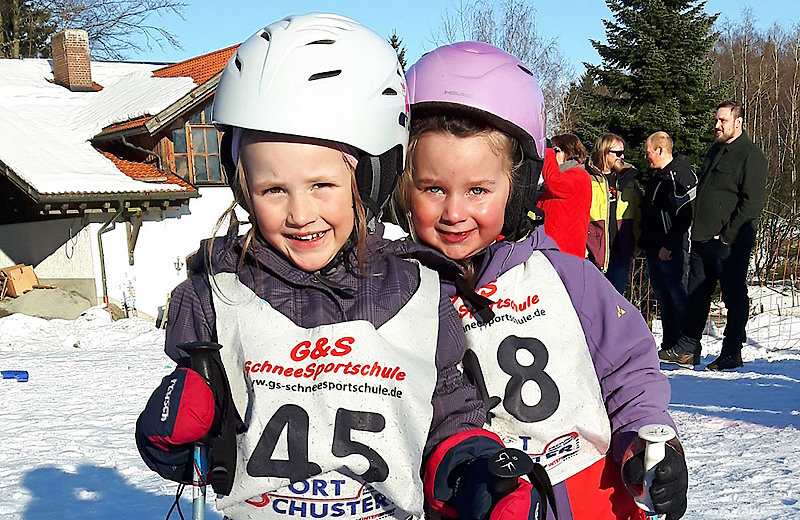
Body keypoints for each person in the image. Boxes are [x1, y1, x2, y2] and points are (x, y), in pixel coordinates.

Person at [134, 15, 542, 520]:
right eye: (273, 190)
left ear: (370, 178)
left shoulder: (415, 292)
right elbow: (195, 449)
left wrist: (474, 470)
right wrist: (168, 435)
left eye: (322, 185)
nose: (300, 214)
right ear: (242, 187)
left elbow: (446, 412)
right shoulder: (217, 295)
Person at [392, 41, 688, 520]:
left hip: (593, 500)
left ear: (519, 186)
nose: (453, 212)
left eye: (478, 190)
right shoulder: (397, 296)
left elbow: (629, 370)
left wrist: (645, 440)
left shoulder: (566, 278)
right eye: (432, 189)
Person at [667, 101, 767, 371]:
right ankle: (688, 348)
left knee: (733, 296)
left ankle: (732, 350)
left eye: (722, 120)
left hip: (729, 243)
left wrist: (727, 235)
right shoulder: (715, 151)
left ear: (738, 122)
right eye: (716, 120)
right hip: (702, 237)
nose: (717, 125)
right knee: (697, 294)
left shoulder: (750, 155)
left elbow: (752, 203)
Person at [639, 132, 697, 364]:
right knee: (664, 299)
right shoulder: (656, 177)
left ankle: (686, 347)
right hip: (655, 249)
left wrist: (670, 244)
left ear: (660, 150)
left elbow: (686, 216)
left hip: (673, 250)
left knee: (678, 296)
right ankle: (670, 344)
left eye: (648, 152)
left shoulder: (679, 175)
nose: (646, 157)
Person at [586, 134, 641, 294]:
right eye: (617, 153)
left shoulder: (628, 179)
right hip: (594, 253)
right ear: (604, 152)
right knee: (593, 301)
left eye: (623, 152)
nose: (622, 157)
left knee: (617, 302)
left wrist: (637, 243)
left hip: (621, 251)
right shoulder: (588, 178)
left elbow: (639, 211)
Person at [536, 134, 592, 258]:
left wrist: (548, 151)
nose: (551, 155)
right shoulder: (562, 178)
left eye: (556, 151)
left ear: (569, 152)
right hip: (549, 250)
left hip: (565, 253)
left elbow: (554, 182)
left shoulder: (580, 176)